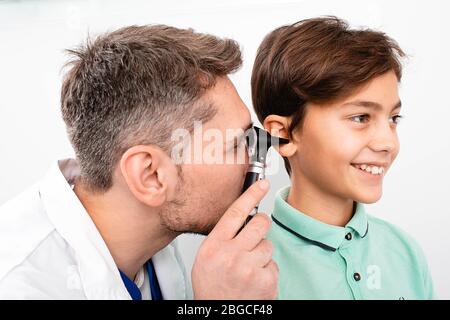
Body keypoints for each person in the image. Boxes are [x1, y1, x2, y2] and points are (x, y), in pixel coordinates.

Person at [0, 25, 278, 299]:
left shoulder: (152, 238)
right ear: (150, 175)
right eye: (234, 144)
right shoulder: (17, 286)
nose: (254, 159)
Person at [251, 16, 435, 299]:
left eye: (393, 118)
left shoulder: (405, 252)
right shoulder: (248, 267)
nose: (388, 142)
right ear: (283, 134)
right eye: (360, 117)